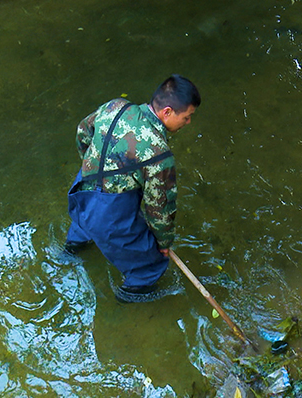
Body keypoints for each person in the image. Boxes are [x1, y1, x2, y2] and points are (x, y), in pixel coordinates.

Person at [65, 74, 201, 302]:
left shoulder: (115, 107)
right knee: (152, 263)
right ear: (167, 112)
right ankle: (126, 300)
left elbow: (83, 133)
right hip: (108, 214)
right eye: (186, 117)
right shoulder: (159, 153)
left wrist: (90, 165)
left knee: (84, 221)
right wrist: (163, 243)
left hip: (82, 190)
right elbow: (160, 209)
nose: (188, 123)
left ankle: (70, 251)